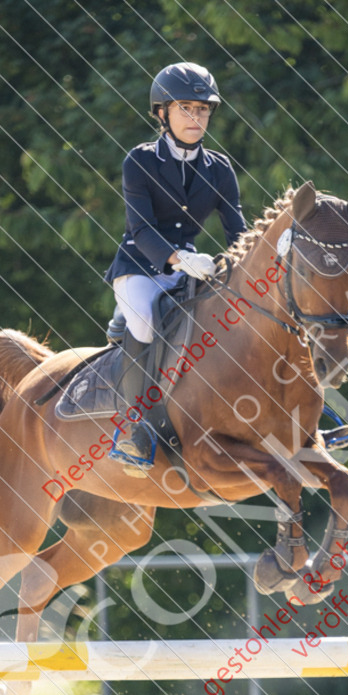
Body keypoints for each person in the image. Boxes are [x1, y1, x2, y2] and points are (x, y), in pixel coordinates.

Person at [105, 61, 247, 475]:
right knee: (147, 324)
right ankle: (136, 427)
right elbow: (142, 229)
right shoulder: (140, 161)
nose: (196, 117)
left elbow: (237, 229)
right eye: (185, 107)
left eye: (203, 109)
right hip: (140, 268)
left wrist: (247, 263)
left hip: (193, 269)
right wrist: (180, 258)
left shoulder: (219, 168)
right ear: (162, 113)